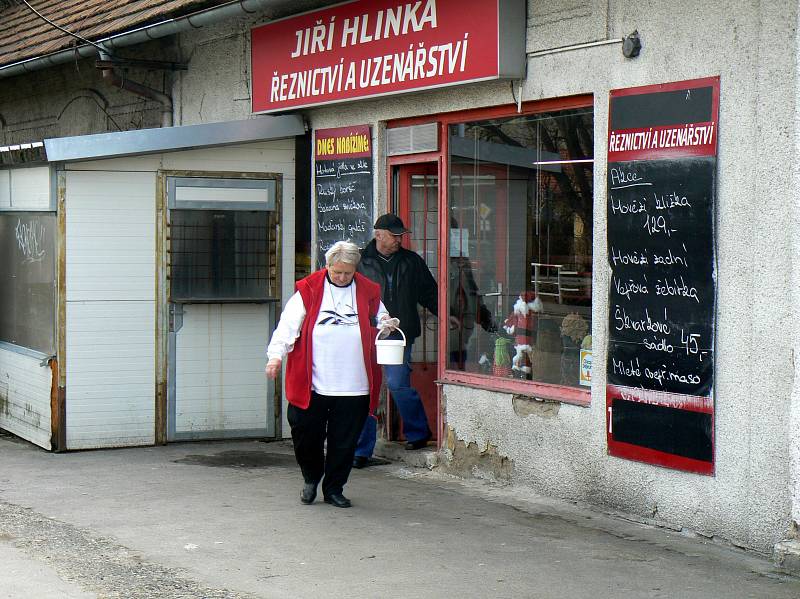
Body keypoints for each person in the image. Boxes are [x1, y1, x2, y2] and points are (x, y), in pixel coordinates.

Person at [265, 241, 391, 508]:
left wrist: (388, 324)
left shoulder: (368, 290)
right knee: (305, 434)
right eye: (337, 272)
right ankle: (311, 476)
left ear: (355, 269)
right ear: (327, 266)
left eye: (347, 273)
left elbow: (382, 318)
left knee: (344, 442)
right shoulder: (308, 290)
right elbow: (286, 328)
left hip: (354, 383)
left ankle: (334, 488)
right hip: (314, 383)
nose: (342, 277)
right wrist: (275, 357)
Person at [353, 214, 439, 468]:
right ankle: (361, 450)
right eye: (395, 235)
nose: (399, 239)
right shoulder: (360, 261)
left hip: (400, 334)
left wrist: (447, 316)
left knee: (397, 382)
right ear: (379, 234)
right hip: (367, 332)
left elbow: (429, 293)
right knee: (364, 389)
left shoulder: (411, 261)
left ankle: (418, 433)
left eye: (401, 235)